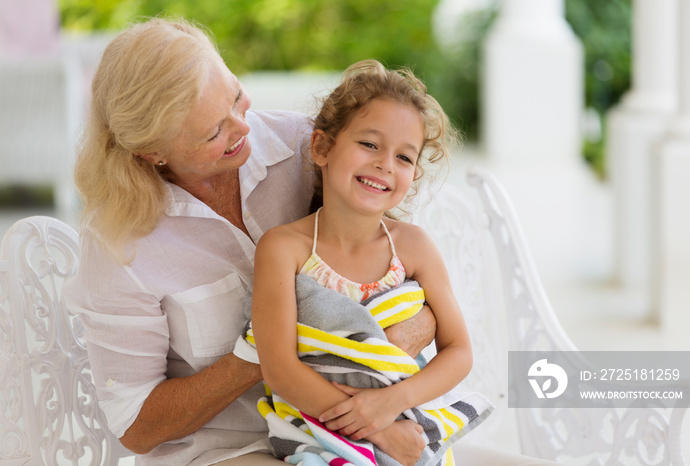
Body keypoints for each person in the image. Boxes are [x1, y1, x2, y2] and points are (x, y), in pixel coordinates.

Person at [64, 15, 561, 466]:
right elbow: (136, 426)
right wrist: (277, 349)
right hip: (227, 451)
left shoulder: (309, 147)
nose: (244, 127)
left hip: (372, 421)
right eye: (216, 129)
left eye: (236, 97)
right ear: (152, 151)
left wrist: (378, 369)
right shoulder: (118, 247)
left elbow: (417, 293)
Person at [242, 59, 492, 466]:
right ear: (322, 147)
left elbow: (459, 350)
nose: (385, 165)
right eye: (370, 144)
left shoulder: (413, 248)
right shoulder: (284, 248)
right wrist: (377, 427)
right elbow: (279, 368)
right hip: (321, 431)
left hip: (402, 414)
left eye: (405, 157)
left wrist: (392, 402)